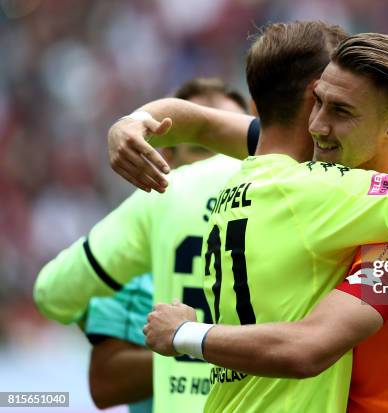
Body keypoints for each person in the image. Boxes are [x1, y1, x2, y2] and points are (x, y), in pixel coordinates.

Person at [128, 29, 388, 412]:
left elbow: (310, 346)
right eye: (317, 101)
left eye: (340, 111)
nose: (317, 125)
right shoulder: (328, 174)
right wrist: (132, 125)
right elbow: (205, 124)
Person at [34, 77, 252, 413]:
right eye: (203, 147)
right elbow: (105, 382)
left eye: (233, 145)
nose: (222, 165)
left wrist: (195, 345)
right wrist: (222, 354)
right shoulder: (129, 260)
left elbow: (54, 294)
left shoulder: (276, 227)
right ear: (167, 159)